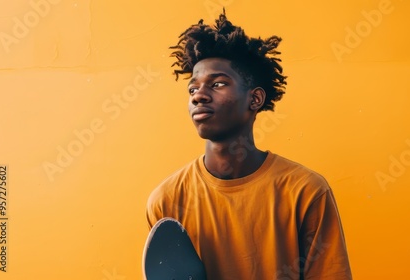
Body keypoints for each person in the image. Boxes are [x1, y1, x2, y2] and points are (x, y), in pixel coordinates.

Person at [146, 10, 352, 280]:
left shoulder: (305, 191)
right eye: (193, 89)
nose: (199, 97)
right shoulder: (168, 200)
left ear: (254, 99)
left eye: (217, 83)